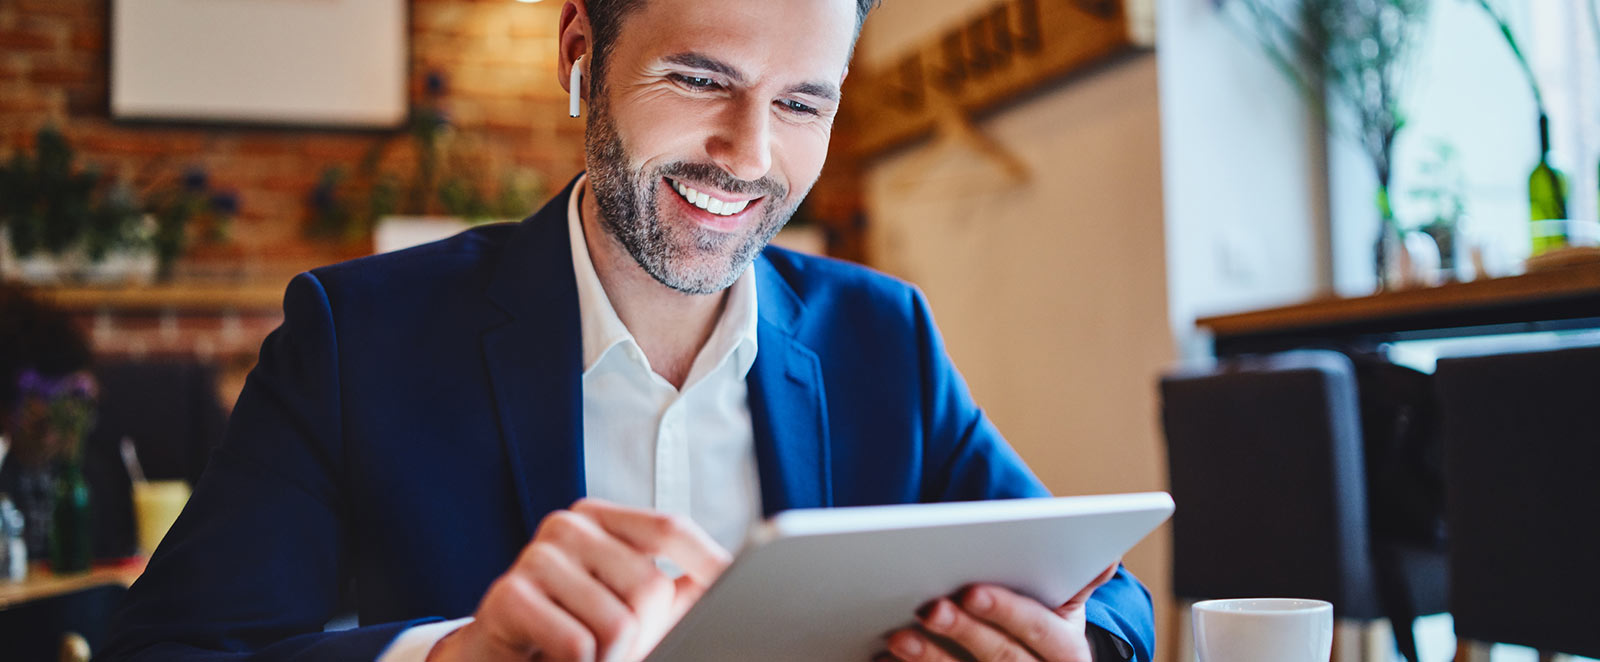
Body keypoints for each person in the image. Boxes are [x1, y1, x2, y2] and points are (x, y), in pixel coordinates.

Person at [99, 1, 1156, 660]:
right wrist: (450, 657)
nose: (748, 154)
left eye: (803, 104)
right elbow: (174, 649)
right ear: (579, 51)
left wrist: (1067, 646)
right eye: (700, 78)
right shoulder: (357, 337)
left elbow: (1107, 595)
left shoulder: (884, 335)